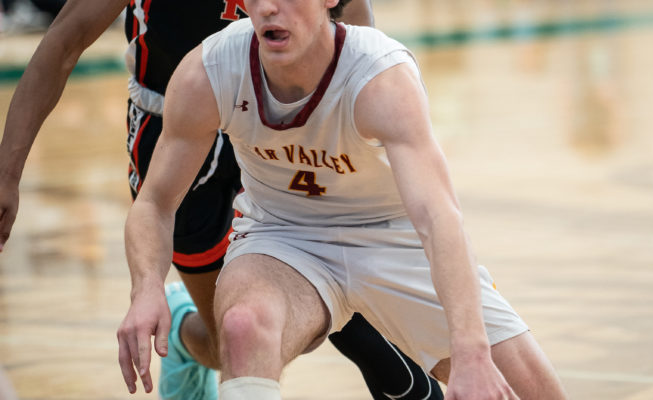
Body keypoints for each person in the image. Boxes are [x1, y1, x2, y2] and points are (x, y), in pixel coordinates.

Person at [118, 0, 569, 398]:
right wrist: (146, 287)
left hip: (394, 238)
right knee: (242, 327)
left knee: (528, 391)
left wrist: (471, 352)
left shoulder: (380, 77)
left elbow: (438, 217)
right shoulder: (210, 69)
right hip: (284, 236)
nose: (270, 8)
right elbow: (154, 203)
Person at [0, 0, 444, 399]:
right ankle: (182, 333)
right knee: (229, 343)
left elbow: (354, 28)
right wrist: (7, 174)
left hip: (281, 120)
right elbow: (64, 41)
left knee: (353, 316)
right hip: (176, 128)